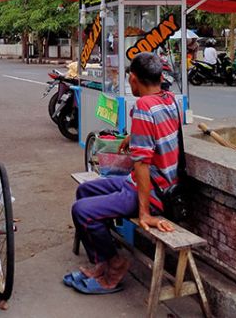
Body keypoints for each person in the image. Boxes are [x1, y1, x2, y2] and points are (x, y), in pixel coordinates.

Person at [66, 52, 180, 295]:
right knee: (84, 190)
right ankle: (102, 262)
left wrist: (144, 213)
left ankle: (115, 265)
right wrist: (132, 136)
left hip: (152, 190)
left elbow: (141, 164)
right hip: (150, 182)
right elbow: (158, 132)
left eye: (129, 77)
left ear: (134, 79)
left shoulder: (142, 106)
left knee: (82, 211)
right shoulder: (170, 99)